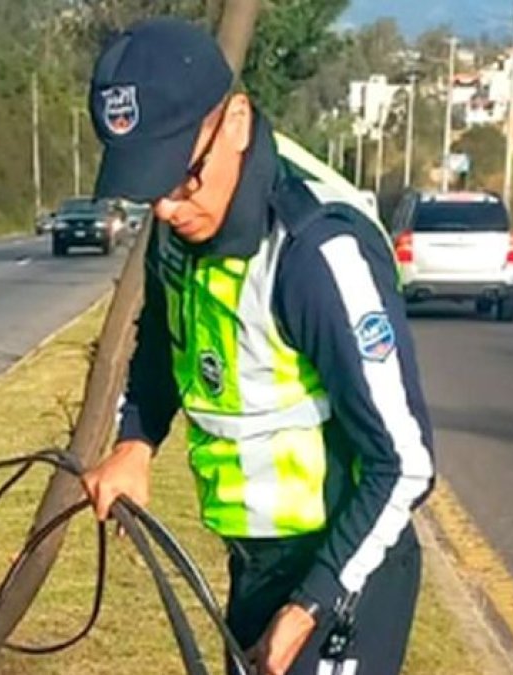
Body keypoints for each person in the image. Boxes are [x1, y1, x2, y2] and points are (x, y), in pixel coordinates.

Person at [81, 17, 435, 675]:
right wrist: (135, 442)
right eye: (148, 184)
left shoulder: (317, 253)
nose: (164, 207)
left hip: (343, 571)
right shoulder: (177, 229)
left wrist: (309, 605)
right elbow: (161, 347)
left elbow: (405, 462)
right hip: (254, 562)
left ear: (235, 122)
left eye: (181, 176)